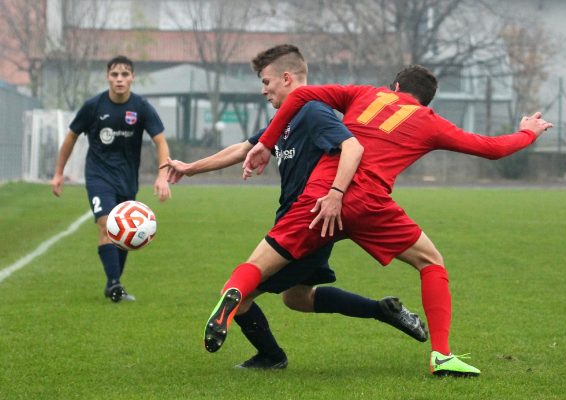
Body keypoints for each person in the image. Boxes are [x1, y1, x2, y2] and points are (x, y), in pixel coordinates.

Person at [238, 64, 553, 377]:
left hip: (322, 200)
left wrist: (266, 142)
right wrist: (529, 131)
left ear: (397, 88)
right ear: (426, 100)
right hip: (369, 206)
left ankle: (238, 300)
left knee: (265, 277)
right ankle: (441, 356)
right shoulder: (429, 121)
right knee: (431, 261)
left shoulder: (366, 94)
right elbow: (492, 149)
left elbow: (303, 94)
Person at [161, 45, 428, 369]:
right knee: (297, 297)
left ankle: (271, 357)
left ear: (287, 78)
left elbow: (350, 147)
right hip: (297, 219)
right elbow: (243, 148)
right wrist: (189, 168)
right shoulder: (287, 118)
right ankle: (382, 309)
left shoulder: (314, 111)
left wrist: (335, 194)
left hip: (308, 224)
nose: (263, 90)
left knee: (240, 296)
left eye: (266, 81)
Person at [51, 55, 171, 303]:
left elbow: (160, 141)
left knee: (125, 235)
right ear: (107, 76)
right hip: (98, 175)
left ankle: (112, 283)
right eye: (115, 74)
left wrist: (162, 176)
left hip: (127, 179)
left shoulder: (141, 107)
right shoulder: (93, 106)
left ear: (132, 77)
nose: (119, 79)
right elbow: (70, 138)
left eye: (125, 74)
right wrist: (59, 172)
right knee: (106, 225)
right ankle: (116, 284)